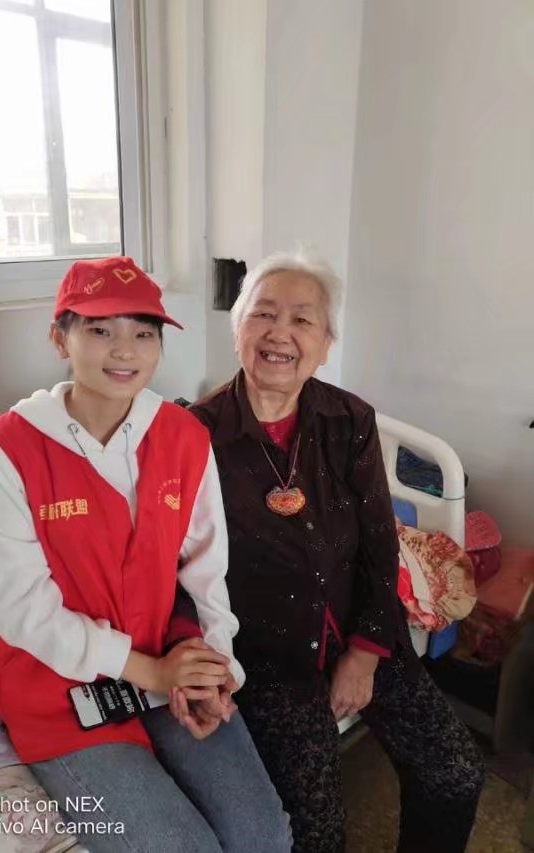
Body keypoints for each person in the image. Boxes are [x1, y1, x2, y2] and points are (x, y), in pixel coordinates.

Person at [0, 256, 291, 853]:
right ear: (59, 338)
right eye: (100, 329)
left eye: (144, 333)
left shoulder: (184, 436)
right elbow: (19, 607)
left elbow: (206, 568)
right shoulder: (11, 448)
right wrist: (150, 673)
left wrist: (216, 668)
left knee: (264, 836)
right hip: (56, 688)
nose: (125, 350)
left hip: (165, 657)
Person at [172, 248, 485, 853]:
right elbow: (178, 565)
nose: (279, 333)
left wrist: (366, 652)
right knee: (317, 831)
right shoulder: (194, 435)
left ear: (325, 343)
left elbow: (380, 544)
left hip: (362, 627)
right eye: (263, 314)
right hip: (270, 654)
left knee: (454, 773)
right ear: (237, 330)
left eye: (302, 319)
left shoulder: (349, 420)